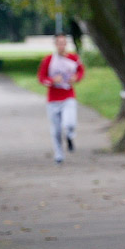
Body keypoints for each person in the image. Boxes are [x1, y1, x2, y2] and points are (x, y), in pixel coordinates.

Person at [37, 33, 84, 164]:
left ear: (66, 44)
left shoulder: (73, 58)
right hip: (53, 99)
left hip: (68, 96)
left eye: (63, 43)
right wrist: (52, 80)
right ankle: (59, 154)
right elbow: (41, 78)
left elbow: (81, 71)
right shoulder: (48, 60)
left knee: (70, 123)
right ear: (55, 44)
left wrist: (76, 78)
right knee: (56, 130)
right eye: (59, 43)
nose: (61, 46)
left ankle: (69, 136)